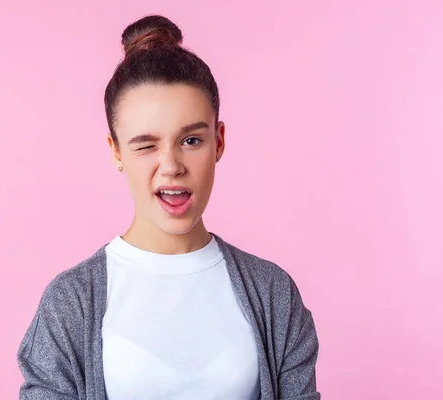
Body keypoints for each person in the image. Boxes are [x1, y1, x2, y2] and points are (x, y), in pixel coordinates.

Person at [17, 14, 320, 400]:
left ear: (219, 141)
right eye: (146, 145)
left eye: (191, 140)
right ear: (116, 152)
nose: (172, 166)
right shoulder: (70, 303)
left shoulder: (273, 294)